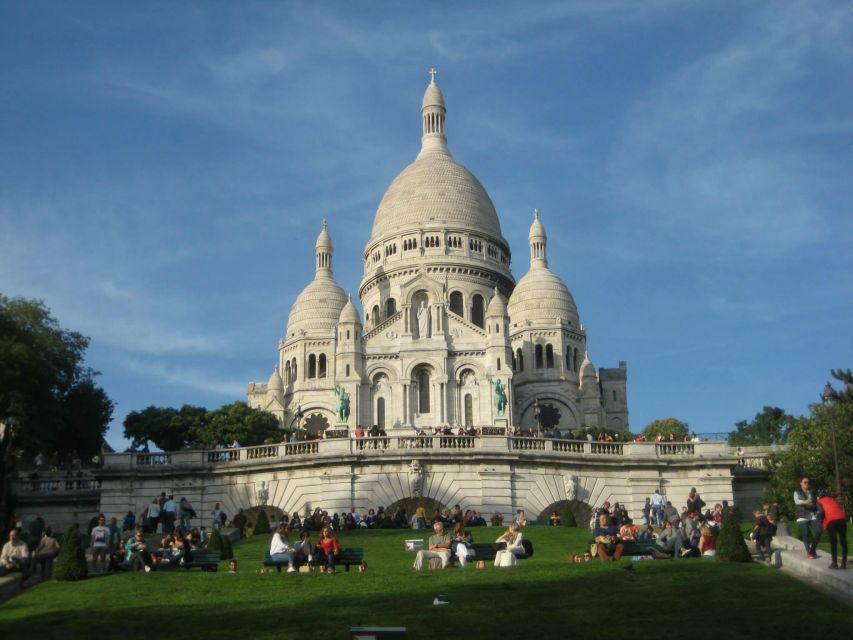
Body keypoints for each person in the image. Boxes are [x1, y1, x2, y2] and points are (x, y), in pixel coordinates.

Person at [817, 490, 847, 570]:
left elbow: (821, 512)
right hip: (842, 519)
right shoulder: (833, 500)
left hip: (831, 521)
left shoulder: (819, 501)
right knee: (843, 541)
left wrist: (819, 521)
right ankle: (844, 563)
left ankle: (834, 563)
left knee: (833, 543)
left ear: (819, 496)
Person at [794, 476, 821, 558]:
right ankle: (809, 552)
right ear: (801, 483)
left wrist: (817, 509)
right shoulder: (797, 492)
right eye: (805, 482)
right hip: (802, 515)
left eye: (808, 482)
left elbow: (815, 502)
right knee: (805, 534)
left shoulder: (811, 492)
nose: (807, 484)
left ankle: (812, 549)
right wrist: (805, 502)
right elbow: (797, 501)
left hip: (812, 515)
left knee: (818, 532)